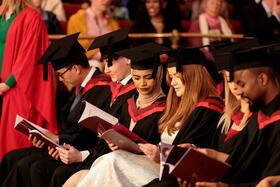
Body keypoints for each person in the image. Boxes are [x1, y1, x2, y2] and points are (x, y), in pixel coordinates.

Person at [64, 46, 224, 187]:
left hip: (168, 175)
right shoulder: (182, 105)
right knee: (91, 170)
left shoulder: (208, 109)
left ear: (193, 76)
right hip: (156, 165)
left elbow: (189, 153)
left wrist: (159, 153)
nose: (173, 82)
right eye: (171, 77)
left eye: (177, 76)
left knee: (110, 162)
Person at [0, 32, 113, 187]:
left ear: (75, 68)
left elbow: (88, 133)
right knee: (11, 157)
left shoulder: (102, 89)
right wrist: (48, 139)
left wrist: (57, 139)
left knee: (31, 166)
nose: (60, 79)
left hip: (81, 151)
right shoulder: (80, 88)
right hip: (66, 145)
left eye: (61, 74)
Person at [29, 27, 138, 187]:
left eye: (109, 63)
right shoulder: (116, 89)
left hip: (108, 158)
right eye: (104, 63)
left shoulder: (124, 91)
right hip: (96, 153)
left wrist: (79, 154)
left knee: (43, 169)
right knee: (25, 161)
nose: (106, 69)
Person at [182, 43, 280, 186]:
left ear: (262, 79)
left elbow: (266, 179)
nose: (236, 90)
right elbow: (244, 164)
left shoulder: (274, 121)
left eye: (242, 84)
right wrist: (206, 156)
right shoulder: (261, 117)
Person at [0, 0, 57, 159]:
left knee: (14, 142)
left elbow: (28, 56)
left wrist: (7, 84)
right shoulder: (2, 13)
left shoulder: (32, 17)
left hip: (17, 86)